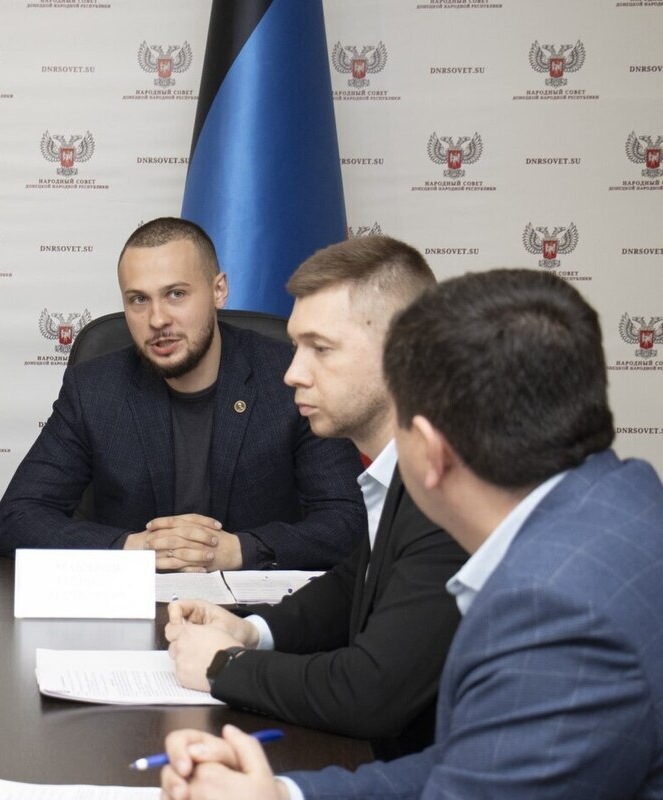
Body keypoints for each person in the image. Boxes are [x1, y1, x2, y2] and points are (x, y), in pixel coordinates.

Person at [159, 268, 663, 799]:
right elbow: (478, 761)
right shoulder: (619, 500)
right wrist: (283, 794)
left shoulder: (552, 610)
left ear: (431, 453)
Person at [165, 236, 466, 758]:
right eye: (296, 347)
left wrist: (225, 666)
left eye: (320, 349)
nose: (292, 373)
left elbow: (370, 692)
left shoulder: (454, 493)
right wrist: (251, 631)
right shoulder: (404, 471)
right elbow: (354, 584)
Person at [0, 218, 365, 571]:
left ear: (219, 290)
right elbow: (16, 519)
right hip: (135, 607)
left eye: (176, 294)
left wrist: (241, 550)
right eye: (139, 299)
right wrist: (134, 549)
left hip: (259, 609)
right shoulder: (93, 388)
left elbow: (348, 521)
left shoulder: (289, 377)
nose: (157, 319)